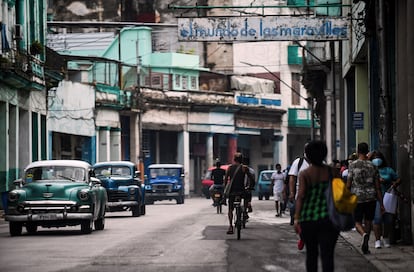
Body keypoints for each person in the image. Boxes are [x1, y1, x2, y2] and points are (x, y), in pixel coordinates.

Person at [294, 140, 341, 272]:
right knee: (328, 256)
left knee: (311, 254)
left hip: (309, 219)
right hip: (329, 219)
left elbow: (301, 196)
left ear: (307, 156)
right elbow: (340, 194)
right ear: (324, 154)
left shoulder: (305, 174)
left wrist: (297, 218)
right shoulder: (333, 172)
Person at [347, 142, 384, 254]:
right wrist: (381, 203)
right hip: (371, 197)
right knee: (368, 221)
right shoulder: (373, 166)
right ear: (367, 151)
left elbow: (348, 184)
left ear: (358, 151)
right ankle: (366, 246)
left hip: (357, 197)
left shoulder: (352, 165)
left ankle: (363, 234)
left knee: (357, 222)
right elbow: (378, 187)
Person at [370, 150, 401, 248]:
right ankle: (377, 240)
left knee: (388, 219)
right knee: (377, 219)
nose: (376, 160)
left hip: (388, 197)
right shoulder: (371, 170)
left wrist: (395, 184)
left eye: (378, 157)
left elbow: (398, 178)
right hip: (375, 198)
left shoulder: (388, 170)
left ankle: (386, 237)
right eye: (374, 158)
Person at [224, 152, 255, 235]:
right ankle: (245, 211)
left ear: (234, 159)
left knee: (230, 209)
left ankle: (230, 226)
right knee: (247, 197)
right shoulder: (244, 168)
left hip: (232, 191)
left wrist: (225, 189)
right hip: (241, 191)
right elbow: (251, 178)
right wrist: (251, 186)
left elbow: (226, 179)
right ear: (241, 160)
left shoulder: (229, 168)